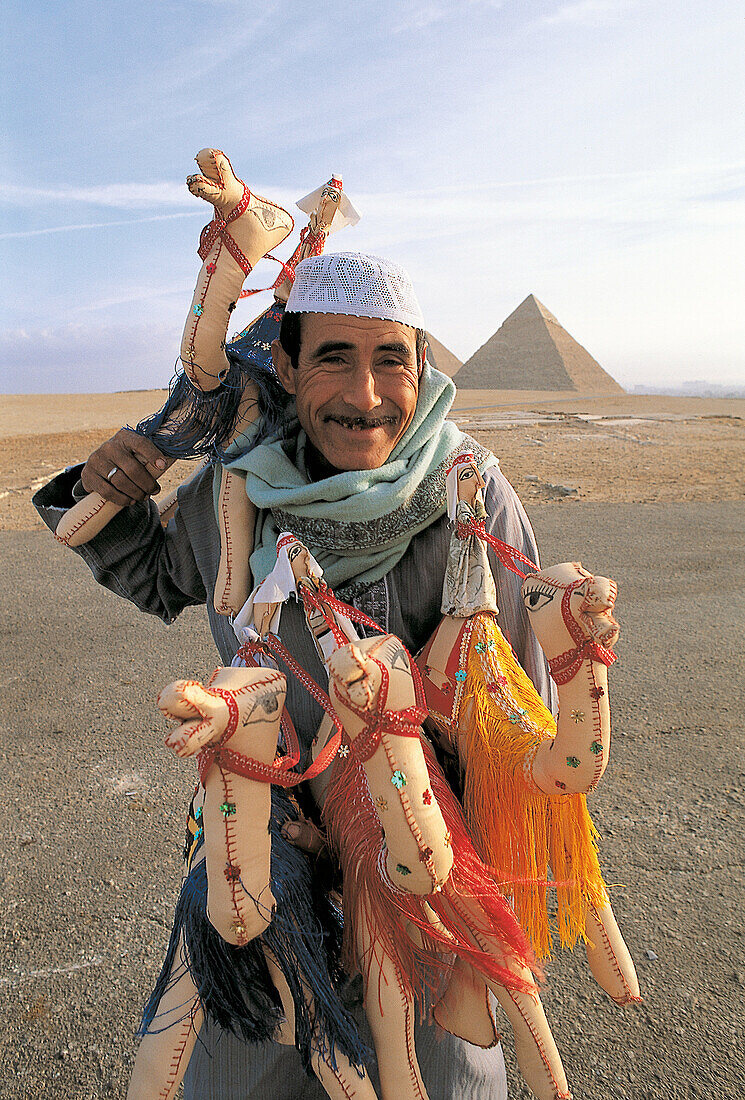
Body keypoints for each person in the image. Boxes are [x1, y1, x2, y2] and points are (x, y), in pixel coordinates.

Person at [34, 251, 554, 1100]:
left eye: (392, 359)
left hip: (423, 869)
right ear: (284, 365)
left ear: (424, 368)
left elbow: (516, 716)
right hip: (260, 854)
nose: (365, 395)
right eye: (332, 360)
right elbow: (158, 579)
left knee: (439, 1076)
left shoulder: (473, 497)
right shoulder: (234, 491)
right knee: (241, 1071)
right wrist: (108, 491)